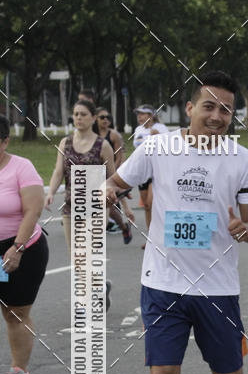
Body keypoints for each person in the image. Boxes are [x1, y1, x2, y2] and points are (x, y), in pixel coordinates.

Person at [104, 71, 248, 374]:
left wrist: (245, 228)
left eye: (226, 110)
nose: (216, 116)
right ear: (189, 108)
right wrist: (104, 192)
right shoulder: (157, 147)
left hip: (217, 288)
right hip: (162, 284)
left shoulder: (242, 160)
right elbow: (117, 182)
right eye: (208, 106)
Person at [45, 100, 115, 307]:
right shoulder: (65, 143)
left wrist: (117, 202)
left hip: (97, 210)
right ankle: (100, 287)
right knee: (77, 260)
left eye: (83, 114)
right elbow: (59, 171)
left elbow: (113, 177)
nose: (78, 118)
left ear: (93, 118)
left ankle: (86, 301)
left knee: (88, 254)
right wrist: (50, 192)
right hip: (70, 209)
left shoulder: (103, 145)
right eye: (75, 114)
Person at [0, 114, 49, 374]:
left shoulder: (22, 167)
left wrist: (16, 249)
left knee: (14, 312)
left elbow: (33, 210)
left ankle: (20, 373)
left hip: (22, 248)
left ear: (5, 141)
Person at [94, 108, 133, 242]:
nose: (105, 120)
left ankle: (123, 225)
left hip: (110, 172)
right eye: (102, 117)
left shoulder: (113, 135)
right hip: (94, 173)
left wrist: (113, 172)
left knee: (107, 204)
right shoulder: (92, 134)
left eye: (108, 117)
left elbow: (119, 156)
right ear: (95, 119)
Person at [131, 106, 169, 238]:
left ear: (151, 115)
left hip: (156, 169)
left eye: (143, 114)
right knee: (146, 205)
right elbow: (138, 146)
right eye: (138, 114)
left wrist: (158, 137)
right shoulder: (138, 130)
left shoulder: (161, 128)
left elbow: (169, 148)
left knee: (152, 202)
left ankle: (160, 234)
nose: (139, 117)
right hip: (143, 169)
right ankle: (150, 237)